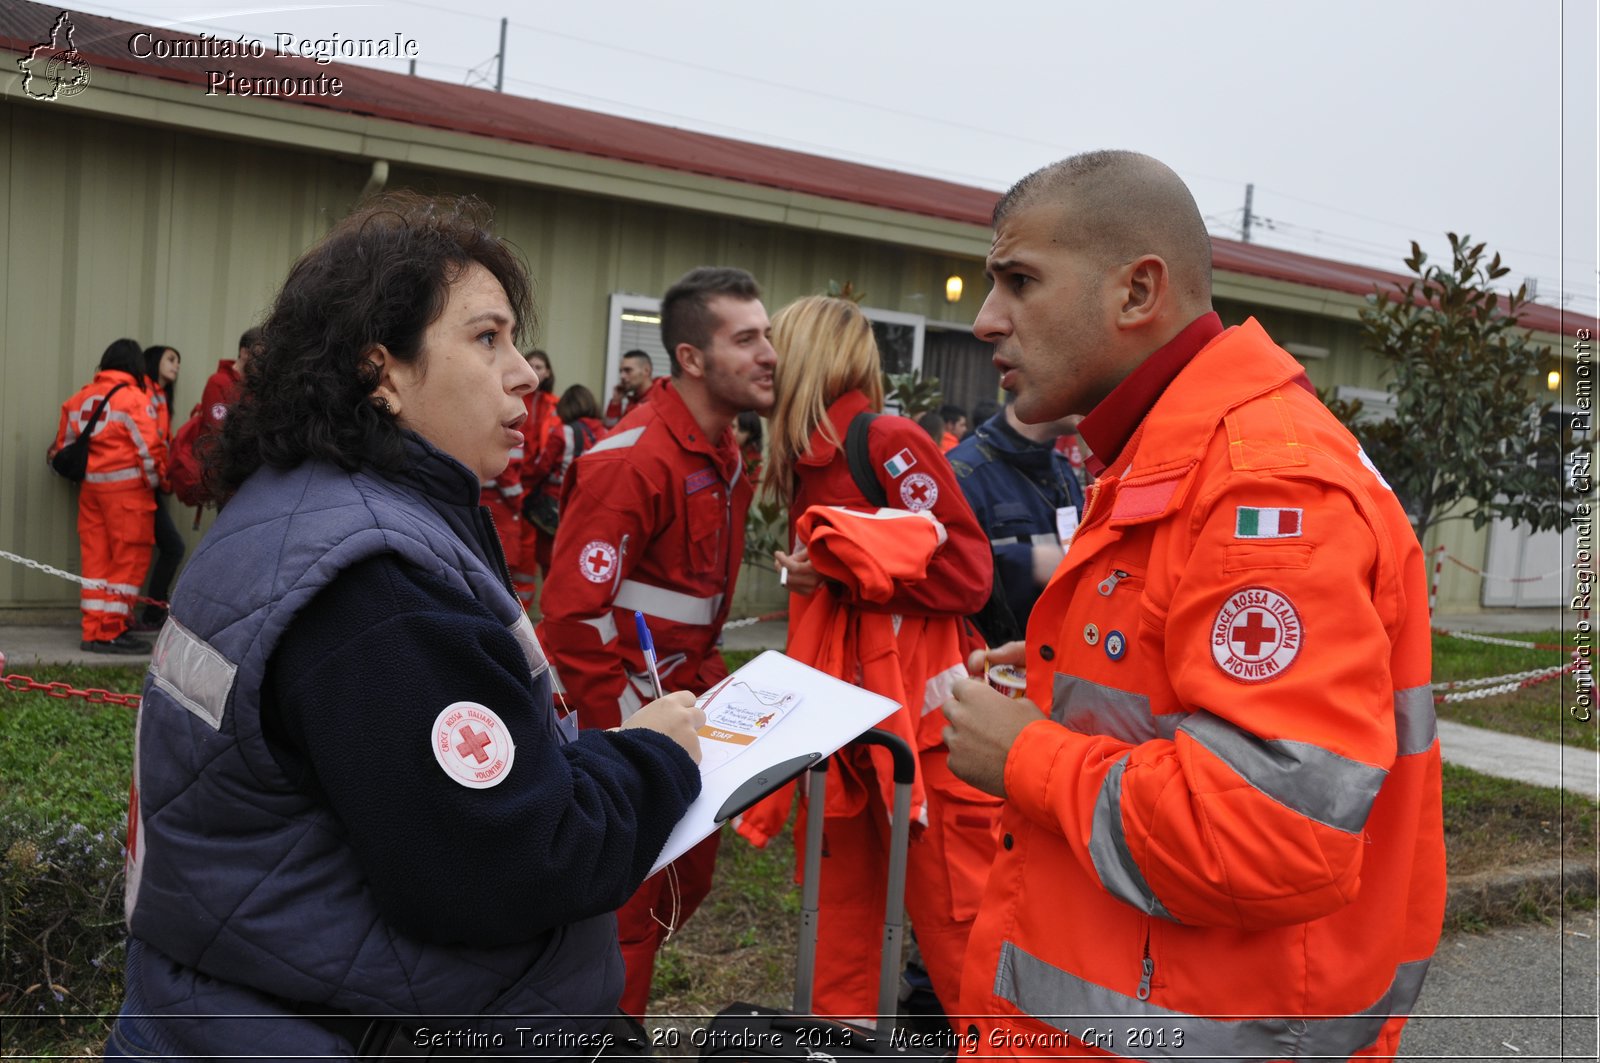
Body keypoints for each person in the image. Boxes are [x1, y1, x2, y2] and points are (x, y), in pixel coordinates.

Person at [105, 192, 705, 1060]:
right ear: (381, 372)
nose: (526, 374)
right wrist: (653, 754)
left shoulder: (299, 506)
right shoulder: (376, 588)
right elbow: (507, 862)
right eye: (485, 337)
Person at [940, 151, 1444, 1059]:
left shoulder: (1266, 489)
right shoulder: (1180, 453)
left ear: (1137, 293)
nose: (985, 321)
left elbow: (1271, 828)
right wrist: (1074, 685)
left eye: (1020, 280)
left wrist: (1025, 754)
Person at [746, 295, 995, 1022]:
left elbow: (966, 573)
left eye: (774, 343)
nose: (765, 359)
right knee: (841, 921)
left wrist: (839, 566)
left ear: (810, 354)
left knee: (958, 924)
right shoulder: (803, 457)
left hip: (921, 727)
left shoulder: (884, 438)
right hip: (843, 721)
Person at [538, 266, 775, 1017]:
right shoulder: (636, 457)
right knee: (634, 907)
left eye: (767, 333)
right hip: (636, 718)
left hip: (688, 701)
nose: (770, 352)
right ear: (693, 358)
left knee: (683, 882)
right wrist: (626, 743)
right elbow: (573, 615)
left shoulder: (725, 447)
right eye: (747, 338)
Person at [49, 338, 164, 654]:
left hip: (91, 493)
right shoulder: (134, 399)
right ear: (135, 366)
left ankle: (93, 630)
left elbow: (63, 448)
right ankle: (111, 631)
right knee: (128, 561)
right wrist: (158, 482)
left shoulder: (78, 399)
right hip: (128, 495)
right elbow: (150, 450)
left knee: (96, 559)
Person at [947, 398, 1086, 636]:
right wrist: (1026, 563)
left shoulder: (1062, 470)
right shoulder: (960, 473)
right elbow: (943, 577)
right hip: (992, 664)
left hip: (1059, 655)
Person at [133, 344, 185, 632]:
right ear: (154, 361)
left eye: (178, 362)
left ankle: (153, 612)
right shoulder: (145, 395)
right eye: (171, 359)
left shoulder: (161, 397)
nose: (176, 366)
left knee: (170, 547)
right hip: (143, 484)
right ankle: (152, 613)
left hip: (154, 483)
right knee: (173, 546)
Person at [522, 383, 609, 550]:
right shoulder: (605, 433)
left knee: (551, 556)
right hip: (591, 506)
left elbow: (541, 468)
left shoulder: (562, 432)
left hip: (556, 505)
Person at [513, 348, 561, 610]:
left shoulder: (555, 404)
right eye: (530, 364)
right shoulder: (514, 398)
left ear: (548, 372)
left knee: (537, 555)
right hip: (512, 484)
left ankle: (529, 615)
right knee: (514, 555)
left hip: (540, 490)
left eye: (540, 366)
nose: (534, 369)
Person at [603, 348, 658, 426]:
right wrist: (616, 402)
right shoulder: (634, 401)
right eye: (621, 371)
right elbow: (611, 430)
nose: (622, 376)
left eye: (628, 370)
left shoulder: (658, 400)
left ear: (646, 371)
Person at [734, 408, 764, 484]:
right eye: (732, 426)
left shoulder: (753, 460)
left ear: (751, 434)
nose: (734, 433)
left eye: (742, 430)